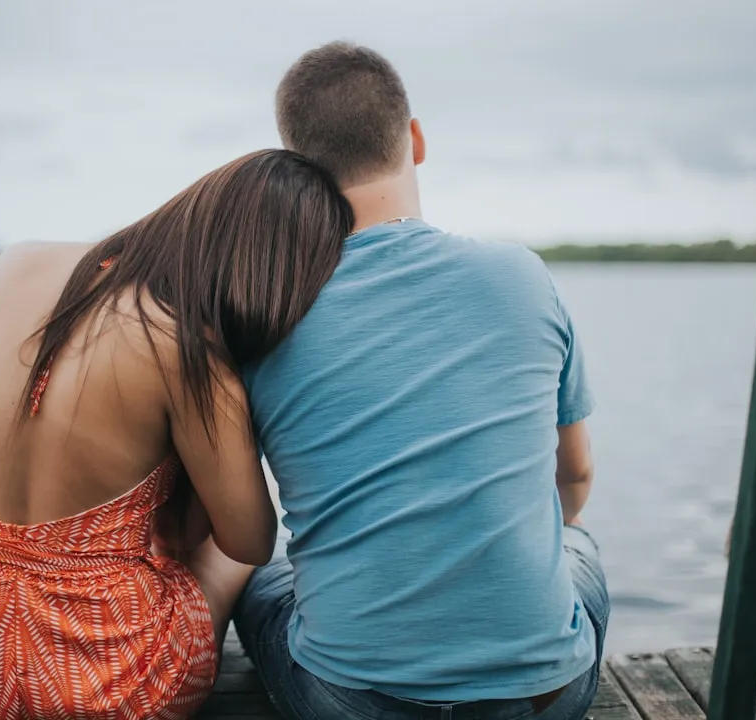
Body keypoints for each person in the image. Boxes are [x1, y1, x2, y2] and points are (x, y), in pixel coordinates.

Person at [0, 149, 353, 720]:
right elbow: (247, 542)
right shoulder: (192, 349)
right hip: (107, 697)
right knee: (230, 552)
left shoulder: (16, 263)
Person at [233, 42, 610, 720]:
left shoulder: (266, 313)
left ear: (296, 167)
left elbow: (238, 527)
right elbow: (574, 478)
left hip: (350, 701)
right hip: (543, 697)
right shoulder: (520, 275)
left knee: (261, 575)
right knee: (575, 542)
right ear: (416, 139)